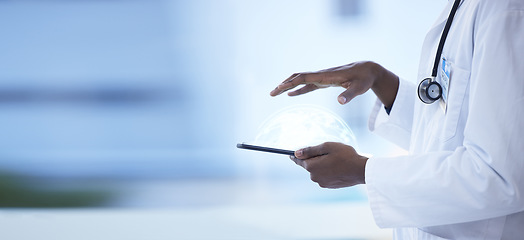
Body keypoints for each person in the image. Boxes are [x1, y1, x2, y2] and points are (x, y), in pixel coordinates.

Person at [269, 0, 524, 239]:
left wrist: (362, 170)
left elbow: (499, 177)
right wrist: (380, 80)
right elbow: (450, 133)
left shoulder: (504, 11)